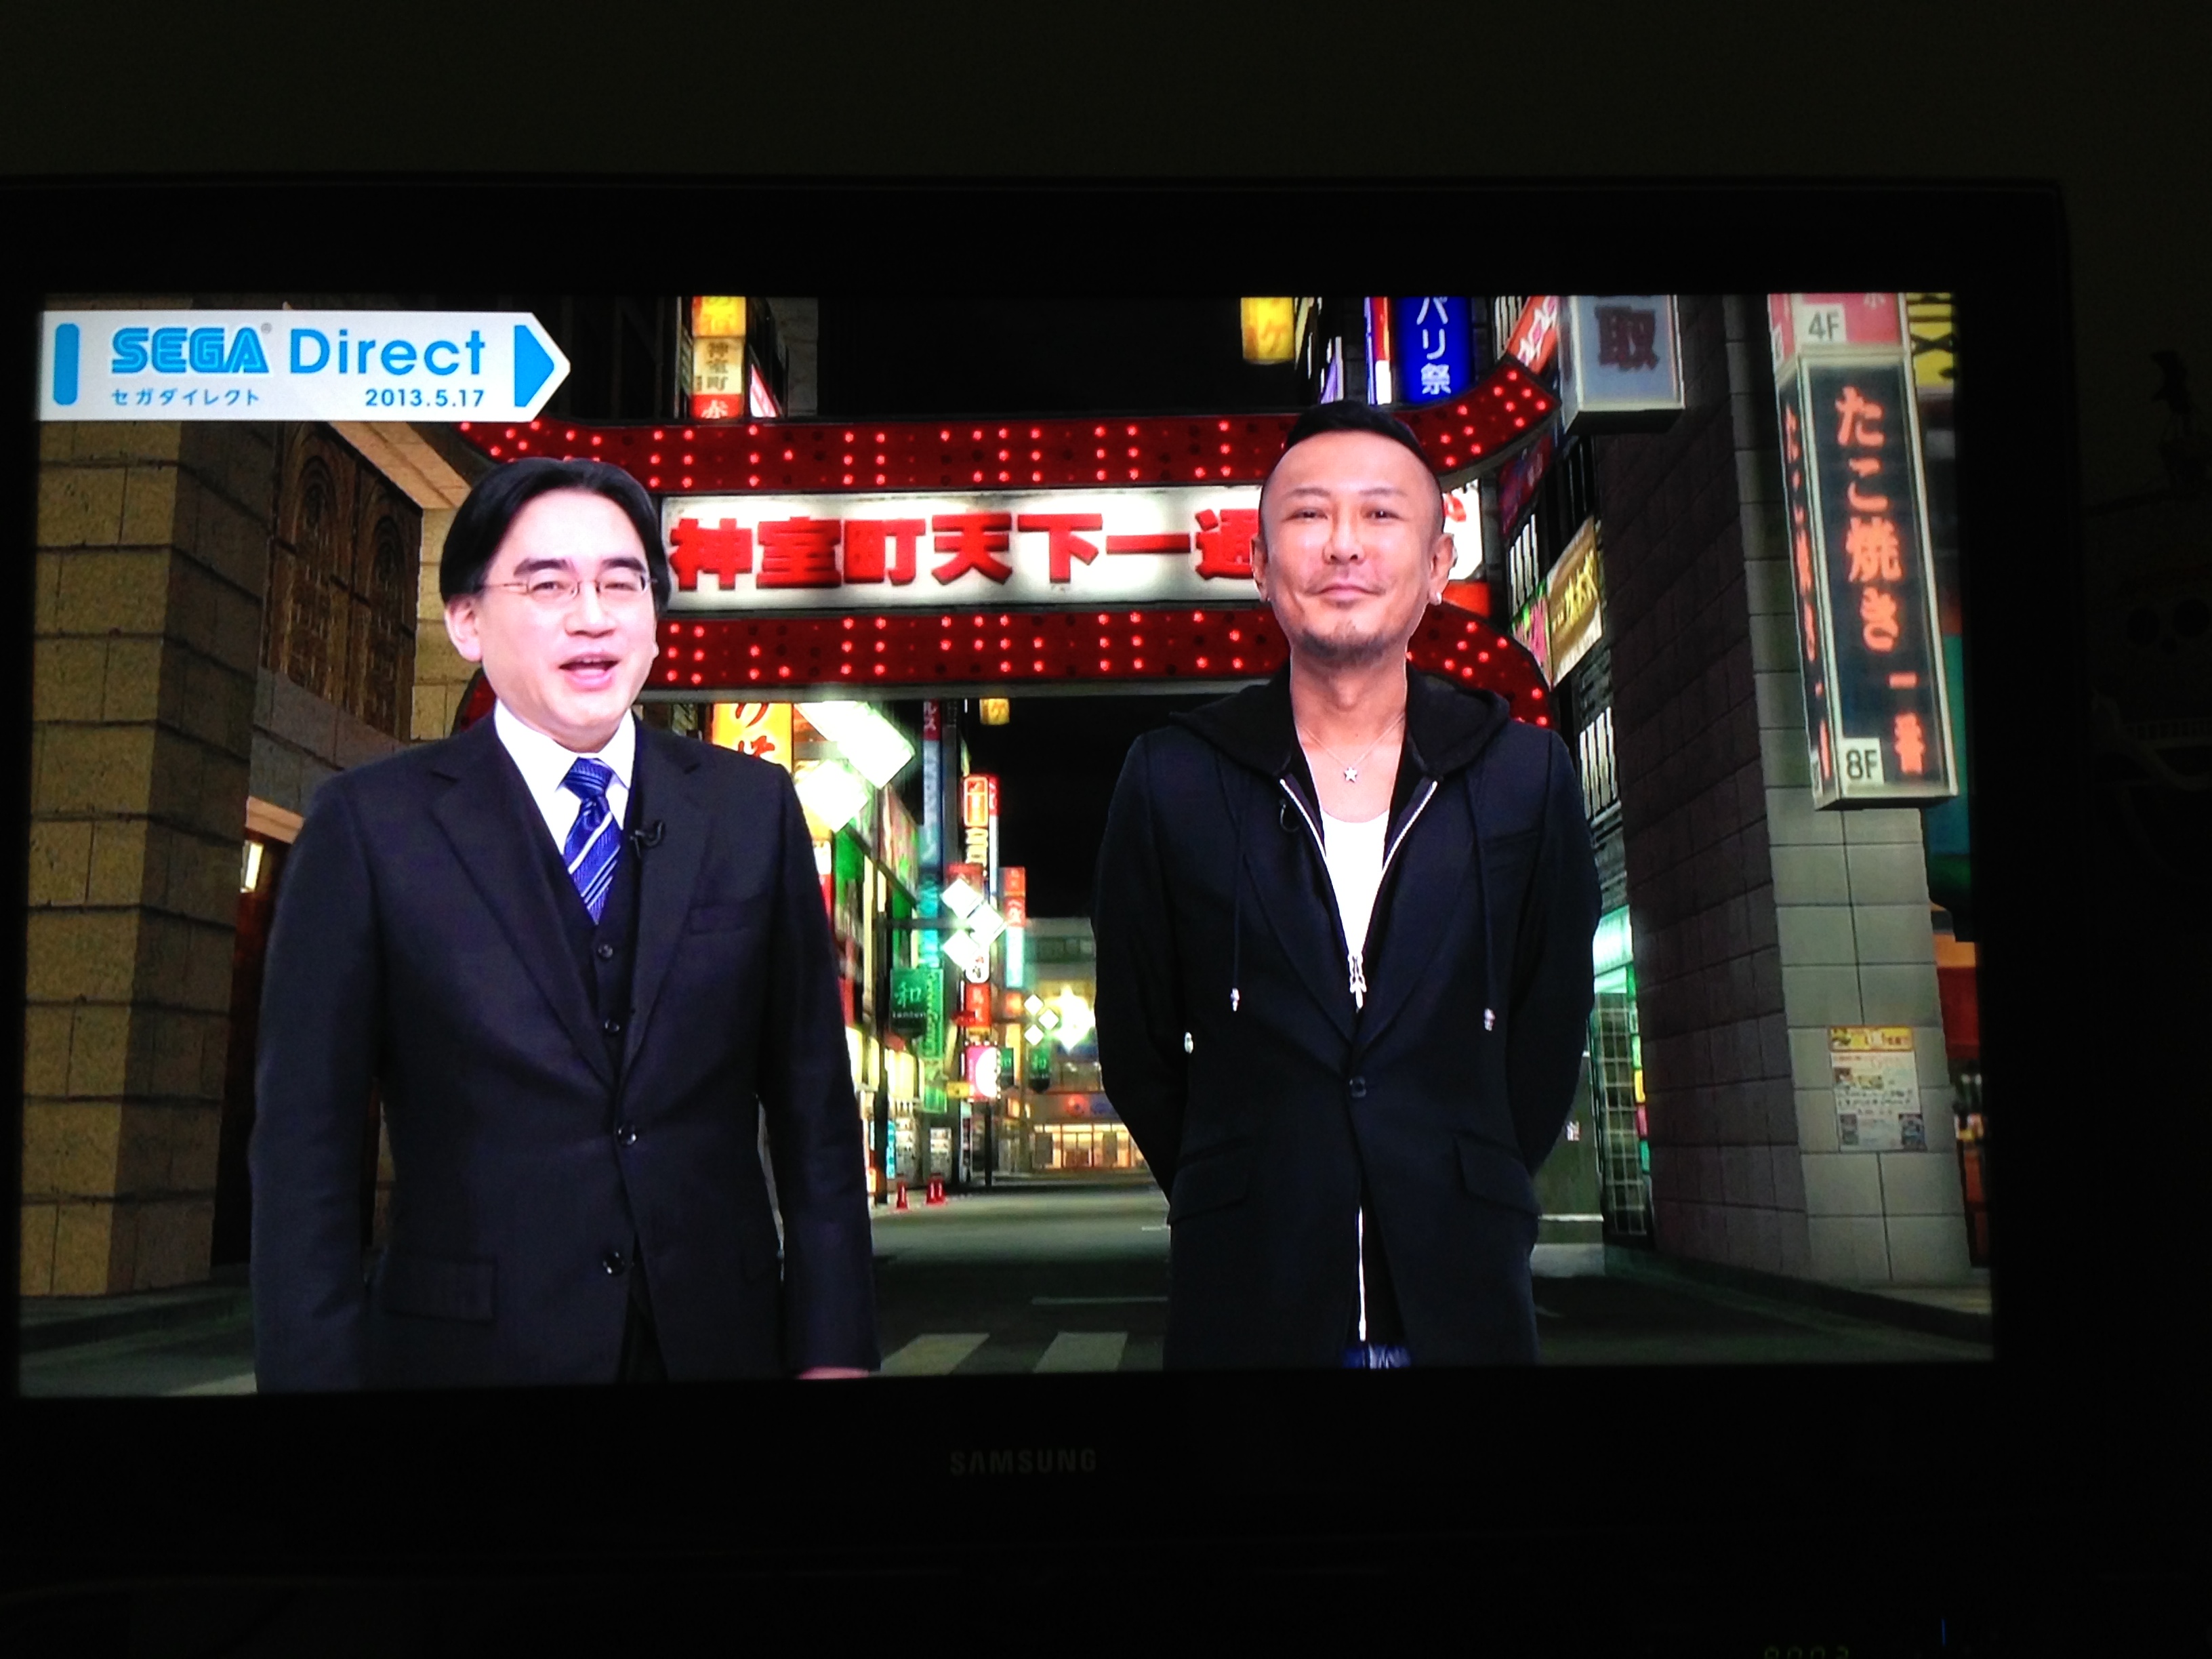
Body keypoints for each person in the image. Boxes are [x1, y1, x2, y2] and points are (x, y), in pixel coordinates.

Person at [251, 458, 877, 1389]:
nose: (594, 617)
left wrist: (834, 1349)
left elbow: (815, 1112)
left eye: (623, 584)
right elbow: (306, 1147)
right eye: (548, 585)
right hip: (465, 1353)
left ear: (656, 619)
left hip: (721, 1340)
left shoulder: (752, 811)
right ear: (467, 621)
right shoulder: (369, 826)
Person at [1092, 402, 1599, 1369]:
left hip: (1465, 1305)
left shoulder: (1522, 776)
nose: (1343, 546)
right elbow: (1136, 1048)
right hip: (1247, 1306)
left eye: (1380, 514)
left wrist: (1471, 1171)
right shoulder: (1171, 778)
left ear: (1439, 564)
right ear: (1259, 564)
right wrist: (1234, 1175)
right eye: (1309, 515)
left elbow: (1548, 1031)